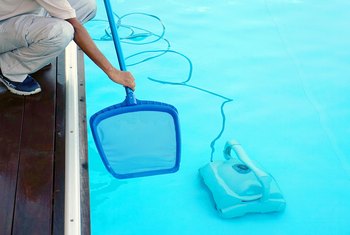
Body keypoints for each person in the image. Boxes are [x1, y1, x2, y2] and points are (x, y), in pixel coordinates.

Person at [0, 0, 135, 96]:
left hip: (20, 15)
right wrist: (111, 71)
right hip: (4, 26)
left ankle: (30, 53)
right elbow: (75, 28)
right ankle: (8, 68)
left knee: (87, 5)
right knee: (62, 32)